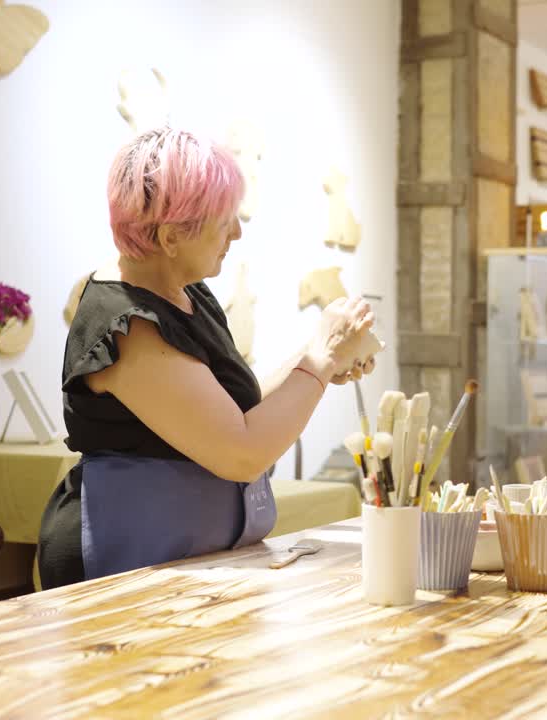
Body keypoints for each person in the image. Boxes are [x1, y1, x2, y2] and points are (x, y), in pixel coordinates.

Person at [38, 128, 375, 588]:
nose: (236, 233)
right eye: (223, 222)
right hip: (127, 561)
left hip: (183, 558)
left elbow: (231, 410)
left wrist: (322, 356)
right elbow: (241, 452)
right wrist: (318, 360)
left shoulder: (185, 289)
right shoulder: (128, 325)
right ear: (172, 235)